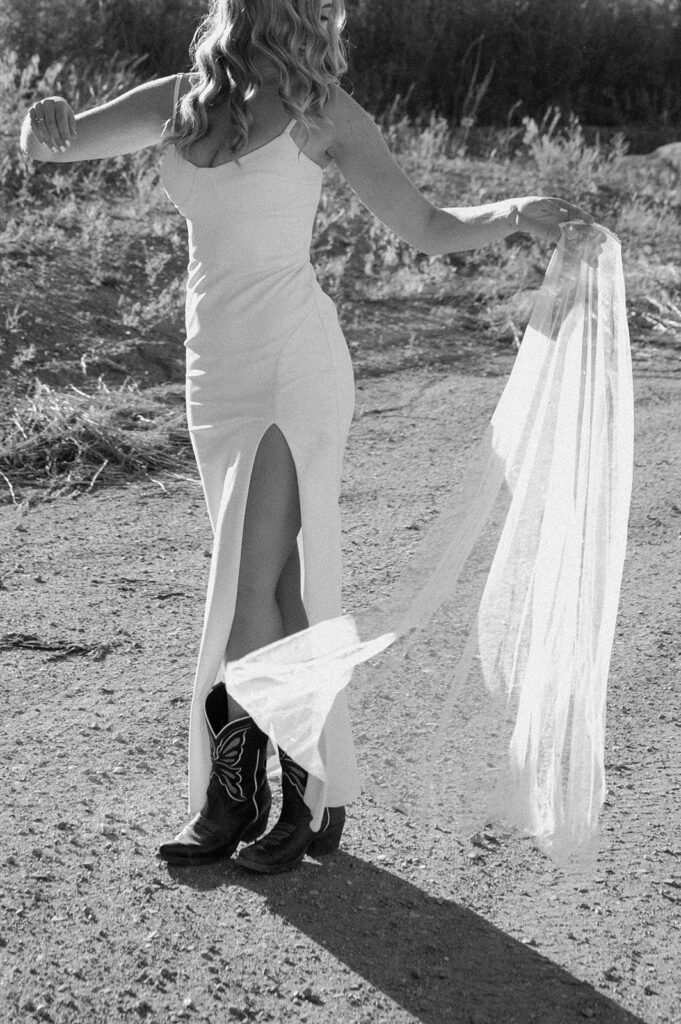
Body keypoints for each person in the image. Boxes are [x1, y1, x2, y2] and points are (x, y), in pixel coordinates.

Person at [20, 0, 590, 875]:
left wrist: (512, 208)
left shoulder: (323, 109)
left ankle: (235, 798)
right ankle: (312, 790)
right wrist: (39, 115)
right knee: (280, 588)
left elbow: (424, 228)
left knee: (248, 580)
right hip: (214, 367)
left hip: (295, 355)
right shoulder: (182, 98)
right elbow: (49, 146)